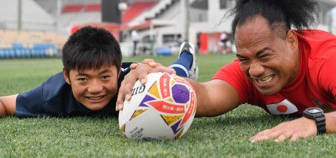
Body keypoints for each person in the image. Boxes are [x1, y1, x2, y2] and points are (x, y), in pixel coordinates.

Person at [117, 0, 336, 142]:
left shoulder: (326, 58)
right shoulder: (249, 70)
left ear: (291, 40)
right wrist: (164, 79)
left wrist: (314, 122)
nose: (254, 69)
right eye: (244, 58)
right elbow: (205, 95)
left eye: (264, 56)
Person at [0, 26, 197, 117]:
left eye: (104, 77)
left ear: (118, 71)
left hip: (139, 71)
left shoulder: (134, 83)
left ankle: (187, 55)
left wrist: (150, 71)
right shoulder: (51, 94)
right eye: (83, 79)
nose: (95, 88)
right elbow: (5, 103)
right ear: (67, 76)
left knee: (175, 75)